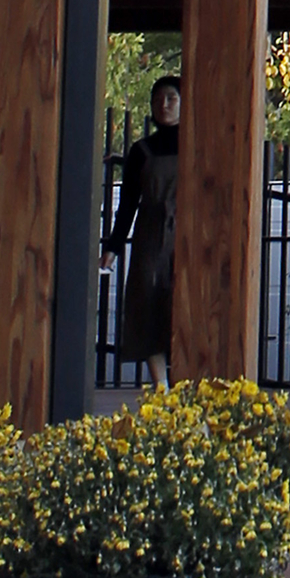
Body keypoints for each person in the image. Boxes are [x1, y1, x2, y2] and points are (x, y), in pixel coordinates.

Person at [111, 74, 182, 374]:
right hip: (150, 235)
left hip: (187, 232)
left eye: (171, 99)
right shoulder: (141, 151)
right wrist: (113, 245)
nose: (163, 105)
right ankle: (160, 386)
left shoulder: (200, 143)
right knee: (147, 303)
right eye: (157, 100)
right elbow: (127, 203)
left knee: (181, 304)